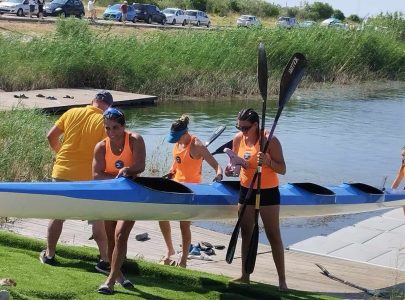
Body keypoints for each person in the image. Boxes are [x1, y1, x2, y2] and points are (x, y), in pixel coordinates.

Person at [40, 91, 115, 276]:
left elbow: (51, 136)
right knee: (97, 219)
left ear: (93, 101)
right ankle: (104, 260)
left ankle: (49, 254)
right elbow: (110, 150)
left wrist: (60, 154)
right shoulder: (105, 122)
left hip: (62, 171)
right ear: (109, 106)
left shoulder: (72, 112)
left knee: (57, 216)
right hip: (90, 176)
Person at [226, 108, 288, 292]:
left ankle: (282, 281)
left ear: (255, 125)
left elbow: (283, 169)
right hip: (246, 190)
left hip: (267, 191)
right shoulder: (238, 139)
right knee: (247, 232)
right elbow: (237, 165)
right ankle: (245, 276)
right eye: (239, 126)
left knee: (273, 234)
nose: (242, 131)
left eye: (245, 128)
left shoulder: (269, 140)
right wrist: (231, 169)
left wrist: (268, 162)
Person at [158, 115, 223, 268]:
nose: (176, 141)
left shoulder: (197, 145)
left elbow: (217, 166)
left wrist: (218, 175)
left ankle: (184, 260)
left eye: (177, 138)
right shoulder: (178, 143)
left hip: (190, 190)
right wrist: (171, 171)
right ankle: (170, 250)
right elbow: (177, 161)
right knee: (161, 216)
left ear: (185, 133)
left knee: (184, 225)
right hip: (175, 186)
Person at [96, 108, 146, 295]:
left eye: (115, 128)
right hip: (111, 196)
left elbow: (140, 166)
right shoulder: (101, 146)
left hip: (131, 195)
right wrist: (116, 177)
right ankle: (119, 275)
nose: (111, 133)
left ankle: (109, 281)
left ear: (123, 126)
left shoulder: (135, 139)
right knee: (110, 238)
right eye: (107, 128)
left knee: (120, 235)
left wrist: (127, 170)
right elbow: (96, 175)